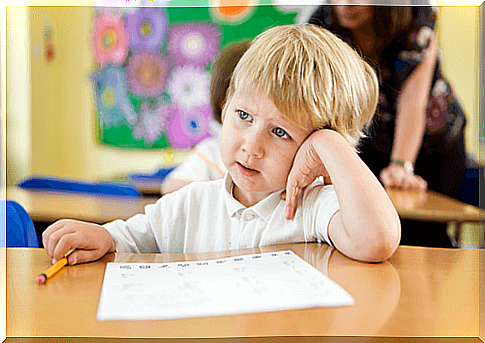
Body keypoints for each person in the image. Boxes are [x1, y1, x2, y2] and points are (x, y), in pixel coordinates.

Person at [42, 24, 401, 264]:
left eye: (280, 133)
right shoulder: (192, 203)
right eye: (244, 116)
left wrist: (330, 144)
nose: (251, 146)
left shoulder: (312, 208)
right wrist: (102, 235)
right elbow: (131, 236)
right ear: (225, 106)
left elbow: (378, 240)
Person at [308, 2, 467, 247]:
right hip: (372, 139)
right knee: (370, 227)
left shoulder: (416, 14)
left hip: (434, 144)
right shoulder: (321, 23)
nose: (345, 4)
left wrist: (401, 166)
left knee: (422, 237)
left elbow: (414, 100)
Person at [160, 40, 251, 195]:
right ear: (224, 105)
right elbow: (169, 187)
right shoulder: (212, 149)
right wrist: (219, 188)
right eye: (245, 114)